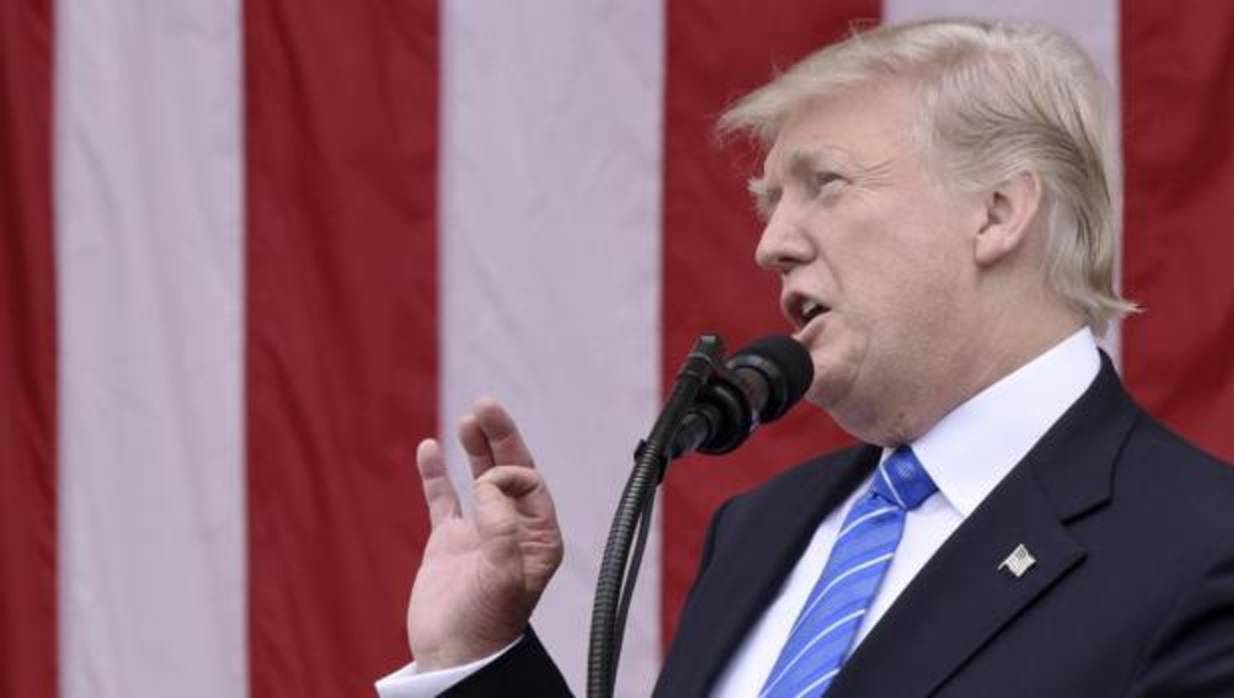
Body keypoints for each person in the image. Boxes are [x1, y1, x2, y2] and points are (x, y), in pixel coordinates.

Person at [377, 17, 1234, 697]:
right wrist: (480, 659)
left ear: (998, 212)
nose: (771, 244)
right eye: (769, 201)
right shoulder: (758, 531)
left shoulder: (1203, 550)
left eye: (825, 184)